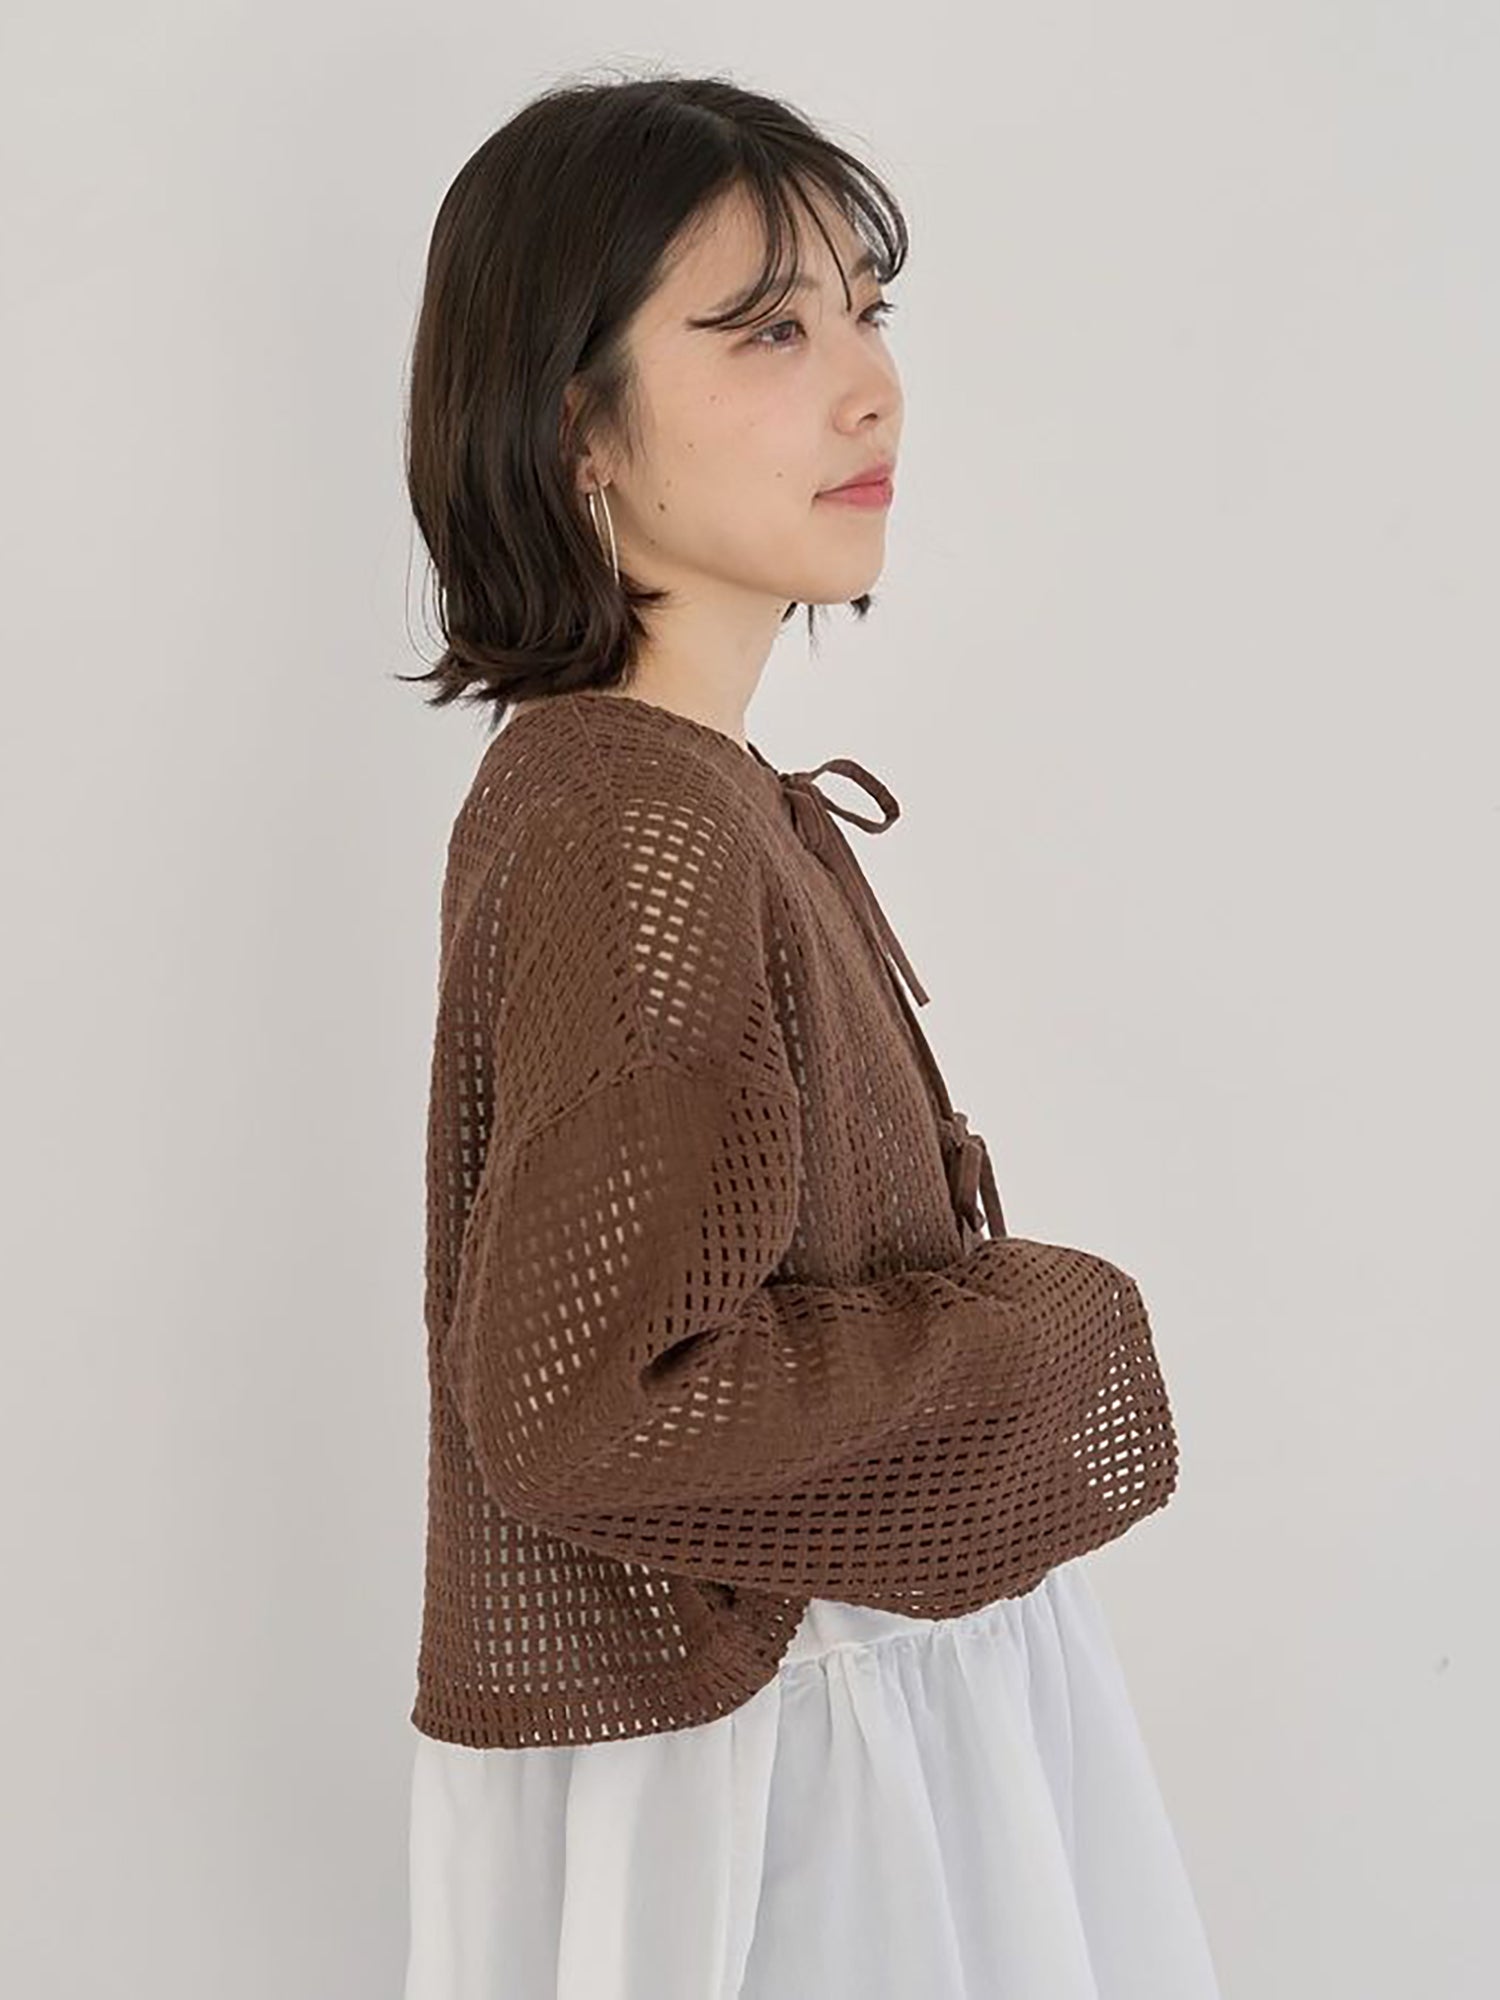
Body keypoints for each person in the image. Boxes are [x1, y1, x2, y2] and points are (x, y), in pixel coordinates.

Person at [396, 69, 1224, 2000]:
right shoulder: (638, 828)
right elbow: (590, 1407)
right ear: (575, 424)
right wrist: (1046, 1328)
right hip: (799, 1783)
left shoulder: (671, 789)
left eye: (867, 312)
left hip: (836, 1727)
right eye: (768, 330)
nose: (871, 389)